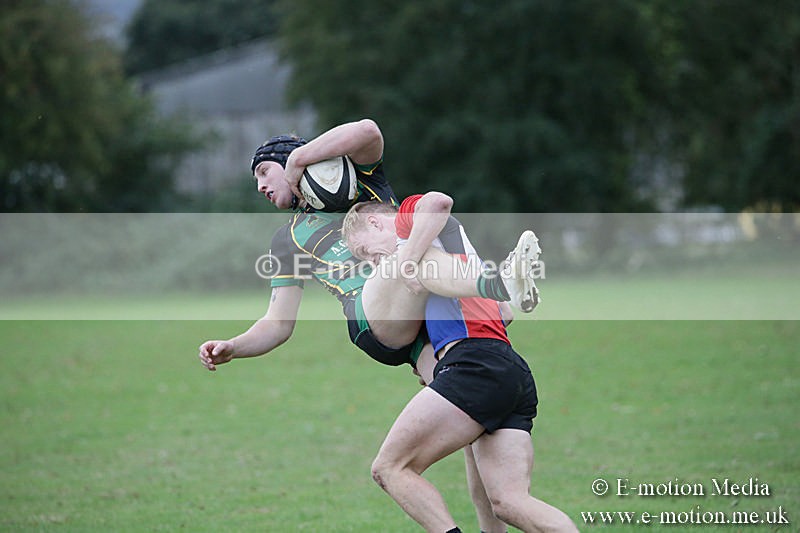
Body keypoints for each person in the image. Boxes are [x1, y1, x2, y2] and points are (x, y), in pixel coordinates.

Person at [197, 119, 540, 532]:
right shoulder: (286, 240)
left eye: (263, 172)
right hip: (374, 319)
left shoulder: (364, 186)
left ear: (288, 161)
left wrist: (301, 159)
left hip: (427, 329)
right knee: (412, 253)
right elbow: (277, 322)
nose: (260, 187)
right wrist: (234, 345)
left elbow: (369, 131)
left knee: (478, 427)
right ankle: (499, 282)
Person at [342, 194, 578, 533]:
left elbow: (438, 202)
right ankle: (502, 283)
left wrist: (407, 258)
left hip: (473, 367)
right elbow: (506, 313)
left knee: (391, 468)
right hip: (509, 370)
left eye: (365, 251)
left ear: (376, 222)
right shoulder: (458, 253)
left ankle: (500, 283)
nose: (373, 263)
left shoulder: (409, 226)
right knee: (510, 502)